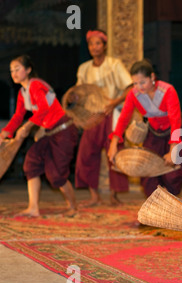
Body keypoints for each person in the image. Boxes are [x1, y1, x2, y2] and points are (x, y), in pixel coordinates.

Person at [0, 55, 79, 217]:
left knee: (56, 174)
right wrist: (5, 132)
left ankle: (73, 207)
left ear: (28, 70)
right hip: (48, 132)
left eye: (17, 69)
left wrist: (28, 126)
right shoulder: (23, 92)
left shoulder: (35, 85)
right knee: (31, 163)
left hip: (63, 131)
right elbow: (18, 116)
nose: (14, 73)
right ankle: (33, 208)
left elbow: (43, 109)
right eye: (11, 71)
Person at [107, 59, 182, 197]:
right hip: (154, 133)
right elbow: (123, 118)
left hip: (176, 132)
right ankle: (154, 212)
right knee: (148, 175)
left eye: (142, 82)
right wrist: (114, 143)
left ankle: (171, 212)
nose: (139, 87)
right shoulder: (133, 94)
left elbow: (175, 120)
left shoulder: (168, 90)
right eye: (135, 83)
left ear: (152, 77)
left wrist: (173, 150)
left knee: (172, 175)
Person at [74, 29, 132, 207]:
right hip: (92, 115)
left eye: (98, 43)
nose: (94, 47)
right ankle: (94, 196)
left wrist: (114, 102)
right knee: (86, 154)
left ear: (104, 45)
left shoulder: (114, 64)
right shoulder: (84, 68)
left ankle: (114, 195)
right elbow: (79, 92)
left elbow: (130, 88)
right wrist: (74, 99)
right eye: (91, 44)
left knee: (114, 155)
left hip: (111, 114)